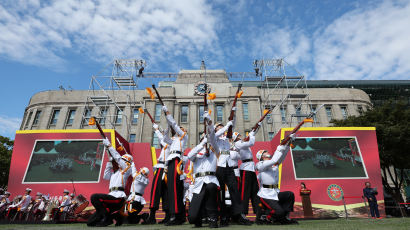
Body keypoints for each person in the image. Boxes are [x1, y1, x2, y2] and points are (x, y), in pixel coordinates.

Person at [204, 111, 250, 226]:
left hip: (229, 166)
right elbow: (213, 134)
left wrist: (233, 111)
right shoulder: (214, 140)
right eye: (218, 128)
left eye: (221, 127)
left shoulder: (227, 140)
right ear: (216, 130)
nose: (221, 129)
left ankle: (238, 215)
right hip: (220, 166)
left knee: (235, 191)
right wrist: (225, 126)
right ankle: (223, 216)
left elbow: (232, 124)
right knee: (221, 194)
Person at [87, 138, 133, 227]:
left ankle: (107, 218)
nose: (119, 162)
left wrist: (109, 146)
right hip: (111, 196)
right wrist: (109, 162)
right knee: (90, 223)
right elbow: (105, 176)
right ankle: (115, 216)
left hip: (118, 198)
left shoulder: (127, 170)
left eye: (123, 161)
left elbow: (118, 158)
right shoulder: (116, 172)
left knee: (94, 197)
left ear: (127, 162)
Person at [255, 139, 298, 225]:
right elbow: (274, 160)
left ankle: (284, 218)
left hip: (274, 192)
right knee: (279, 211)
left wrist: (286, 146)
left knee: (289, 195)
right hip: (265, 195)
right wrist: (279, 148)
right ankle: (266, 218)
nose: (267, 152)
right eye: (265, 152)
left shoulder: (272, 164)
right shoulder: (260, 164)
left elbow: (281, 157)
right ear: (261, 156)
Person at [162, 105, 188, 225]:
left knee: (175, 188)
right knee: (172, 188)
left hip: (177, 160)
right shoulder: (174, 140)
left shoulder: (183, 137)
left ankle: (175, 215)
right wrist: (168, 125)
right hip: (171, 161)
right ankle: (177, 215)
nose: (179, 130)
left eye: (181, 129)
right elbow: (164, 138)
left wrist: (168, 114)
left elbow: (175, 126)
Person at [187, 135, 220, 228]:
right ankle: (198, 218)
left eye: (207, 141)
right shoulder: (196, 154)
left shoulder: (215, 151)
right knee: (192, 218)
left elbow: (214, 141)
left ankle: (212, 218)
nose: (206, 143)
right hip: (198, 183)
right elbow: (189, 155)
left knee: (211, 187)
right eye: (204, 141)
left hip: (210, 179)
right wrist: (201, 144)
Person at [233, 128, 262, 223]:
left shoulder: (242, 143)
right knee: (244, 193)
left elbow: (250, 137)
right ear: (236, 138)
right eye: (238, 136)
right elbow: (251, 142)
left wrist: (256, 128)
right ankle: (242, 214)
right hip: (245, 168)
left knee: (255, 192)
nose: (240, 136)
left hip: (251, 168)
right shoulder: (238, 144)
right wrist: (252, 135)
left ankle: (259, 213)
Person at [146, 123, 171, 224]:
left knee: (161, 192)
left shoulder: (170, 143)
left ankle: (166, 216)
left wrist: (156, 130)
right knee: (160, 192)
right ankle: (152, 216)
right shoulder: (166, 144)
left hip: (163, 169)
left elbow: (162, 139)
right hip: (162, 167)